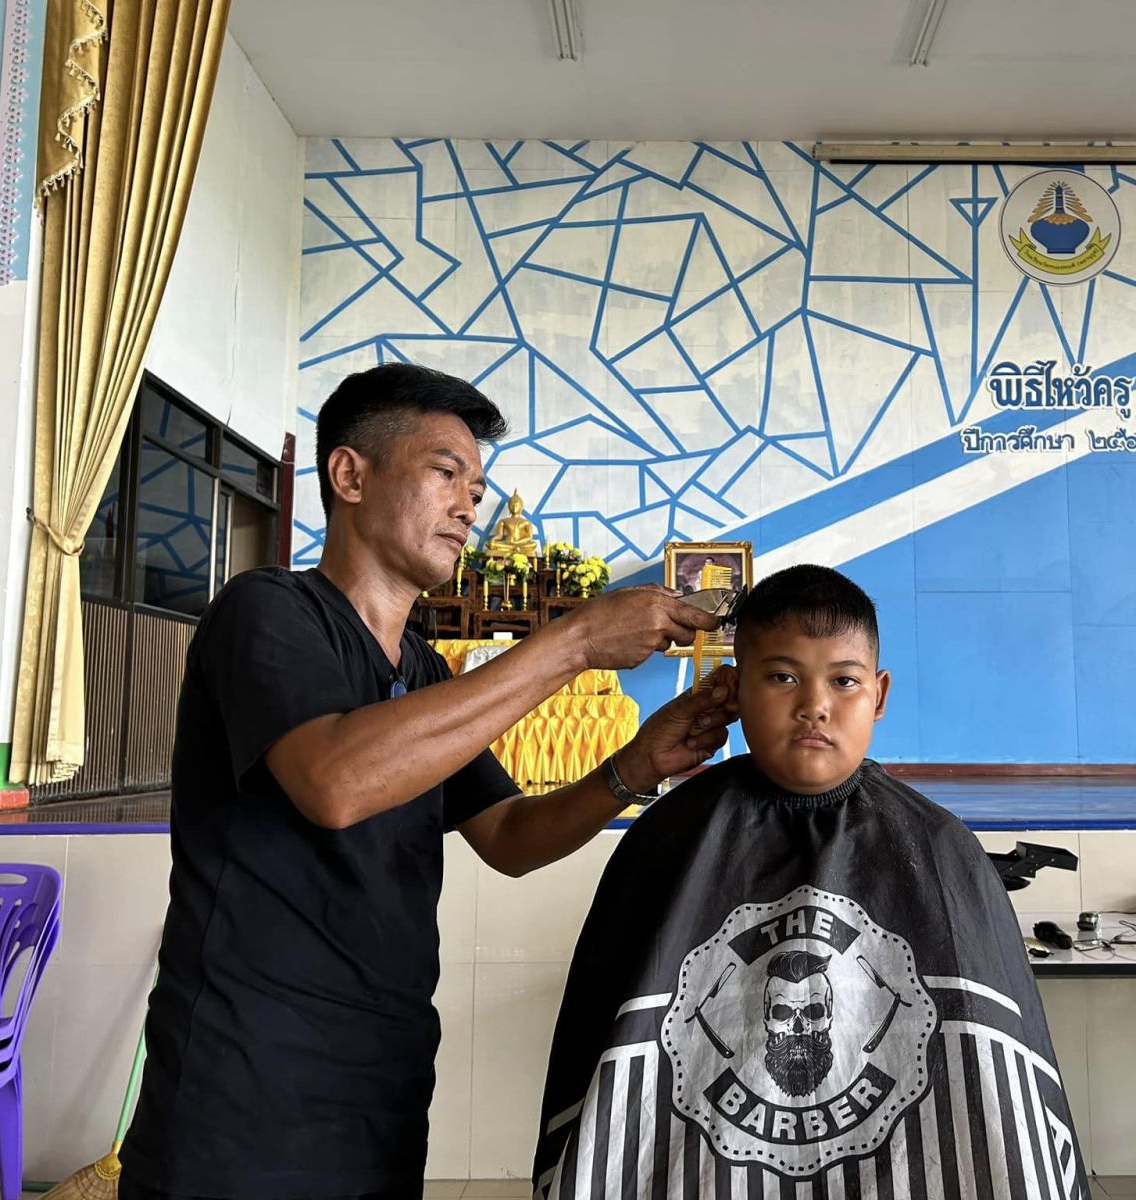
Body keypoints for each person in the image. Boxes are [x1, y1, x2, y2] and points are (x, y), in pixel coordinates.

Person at [119, 364, 734, 1200]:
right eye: (445, 473)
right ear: (350, 476)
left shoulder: (422, 667)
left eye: (476, 490)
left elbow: (509, 836)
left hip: (382, 1072)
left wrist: (635, 766)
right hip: (245, 1078)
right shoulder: (266, 612)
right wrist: (575, 642)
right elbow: (336, 782)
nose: (469, 507)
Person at [530, 565, 1087, 1199]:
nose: (814, 705)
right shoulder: (668, 839)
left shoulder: (938, 846)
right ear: (734, 689)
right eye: (782, 677)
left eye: (843, 681)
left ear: (879, 695)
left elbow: (996, 1078)